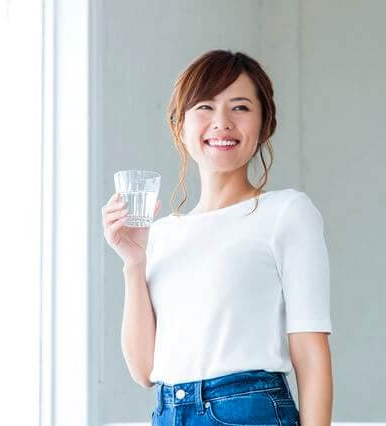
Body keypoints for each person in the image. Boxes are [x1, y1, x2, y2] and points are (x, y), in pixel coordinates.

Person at [101, 49, 333, 426]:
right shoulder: (161, 234)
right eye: (205, 107)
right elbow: (145, 370)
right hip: (168, 411)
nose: (221, 122)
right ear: (180, 125)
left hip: (248, 410)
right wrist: (133, 262)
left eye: (240, 107)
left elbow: (311, 351)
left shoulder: (287, 212)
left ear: (264, 124)